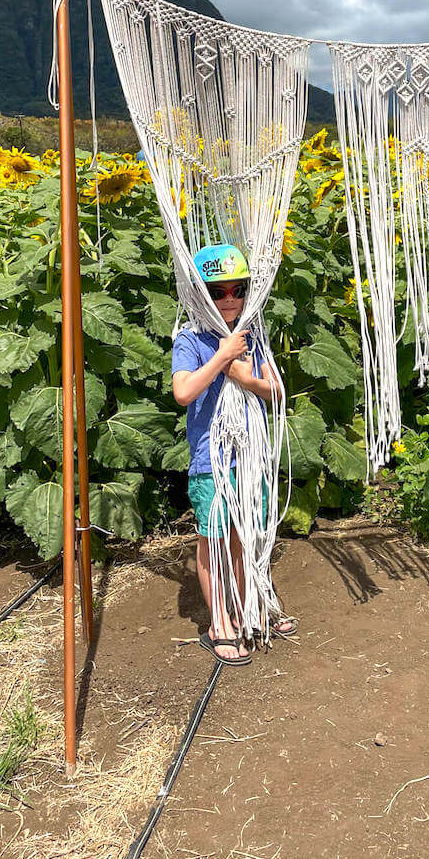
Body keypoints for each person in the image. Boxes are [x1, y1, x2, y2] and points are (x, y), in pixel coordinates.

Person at [170, 243, 298, 665]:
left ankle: (251, 605)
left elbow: (276, 389)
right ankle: (219, 621)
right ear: (199, 293)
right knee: (213, 541)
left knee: (245, 536)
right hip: (212, 462)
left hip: (250, 458)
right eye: (217, 291)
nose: (229, 300)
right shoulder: (191, 339)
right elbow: (184, 392)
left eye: (237, 290)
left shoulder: (253, 335)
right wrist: (222, 357)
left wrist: (246, 377)